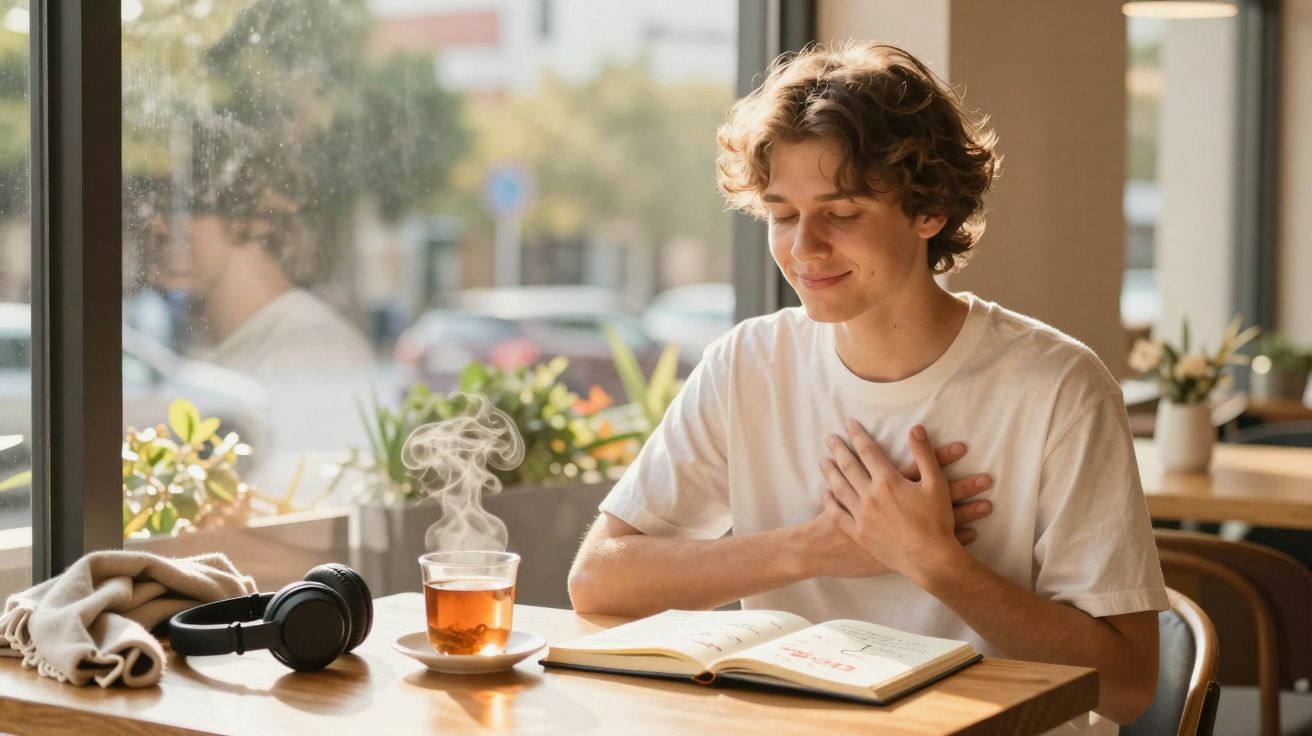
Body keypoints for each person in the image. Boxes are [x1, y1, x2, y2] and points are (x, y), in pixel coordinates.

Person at [568, 42, 1166, 734]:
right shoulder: (749, 363)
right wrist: (815, 547)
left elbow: (1126, 686)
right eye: (783, 214)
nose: (803, 249)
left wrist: (935, 561)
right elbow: (598, 580)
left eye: (842, 213)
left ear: (930, 209)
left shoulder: (1059, 387)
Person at [138, 127, 376, 488]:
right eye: (154, 204)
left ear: (251, 218)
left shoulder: (315, 349)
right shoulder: (203, 345)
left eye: (181, 203)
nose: (156, 223)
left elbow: (310, 527)